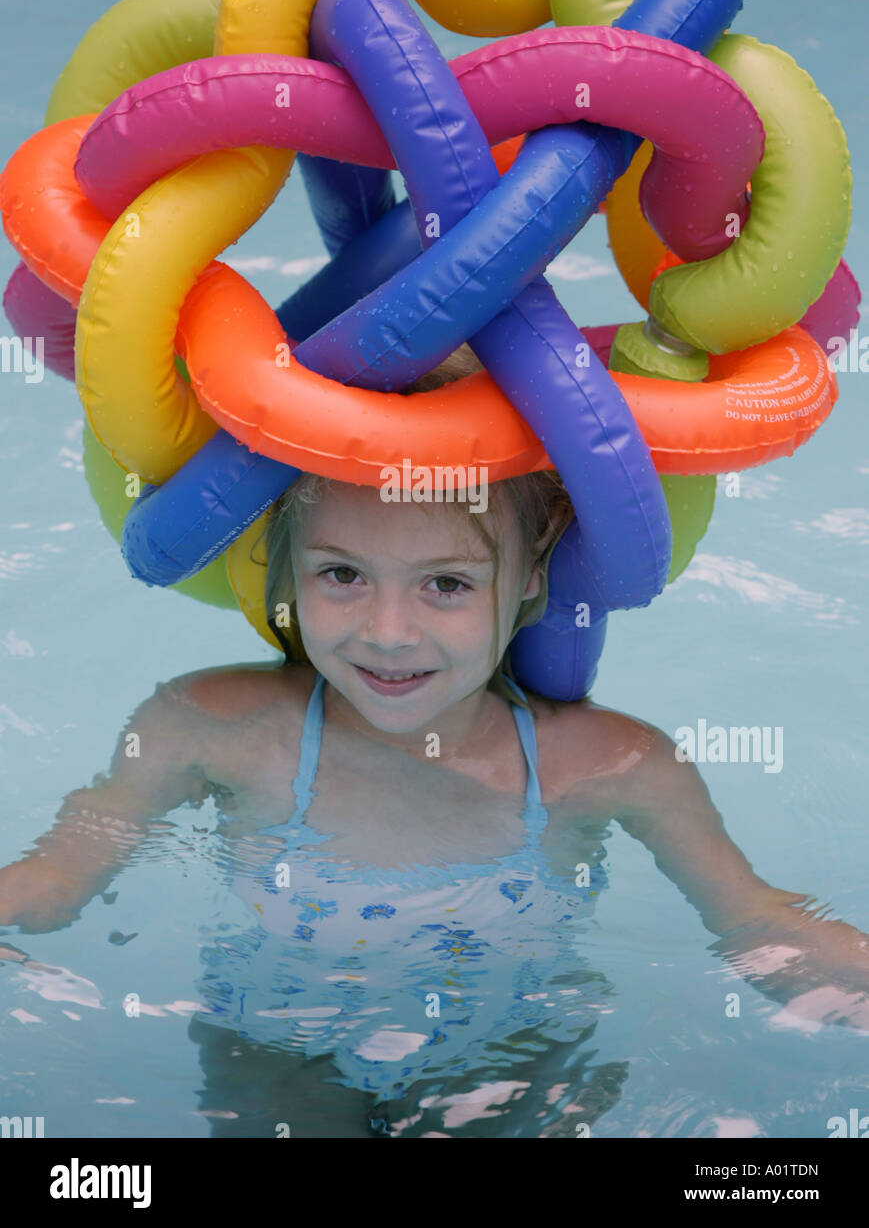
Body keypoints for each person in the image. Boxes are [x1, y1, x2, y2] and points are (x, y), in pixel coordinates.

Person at [1, 346, 868, 1138]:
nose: (387, 631)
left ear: (533, 572)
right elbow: (60, 875)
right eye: (342, 574)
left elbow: (756, 922)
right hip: (276, 1049)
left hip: (510, 1057)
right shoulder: (210, 727)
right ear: (285, 564)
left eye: (445, 584)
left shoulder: (610, 766)